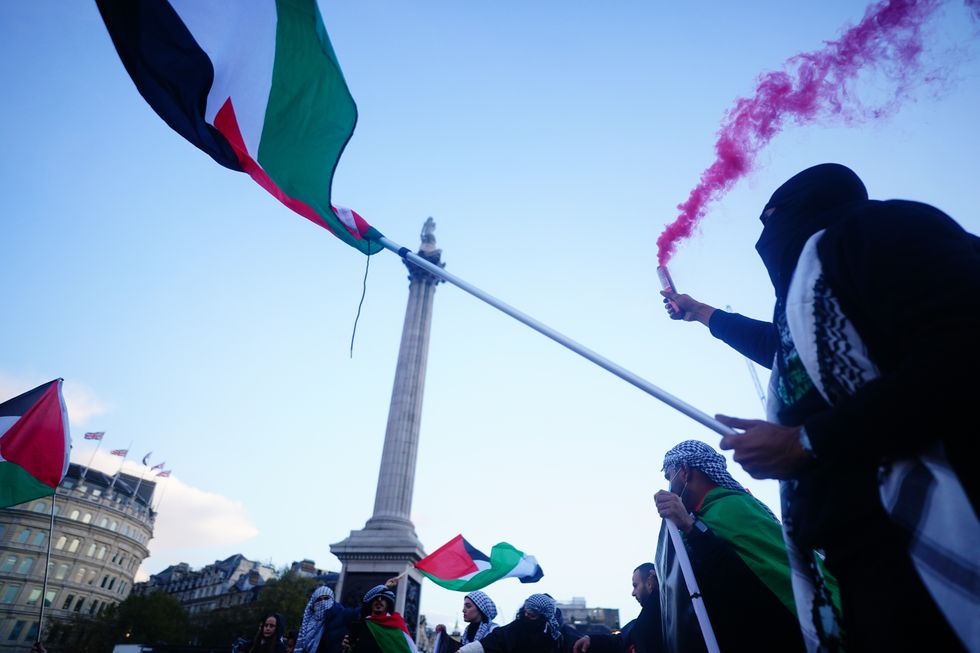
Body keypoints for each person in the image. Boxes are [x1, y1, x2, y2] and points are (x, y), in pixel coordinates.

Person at [661, 163, 978, 651]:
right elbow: (785, 348)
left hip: (935, 531)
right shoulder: (810, 302)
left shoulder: (876, 232)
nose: (764, 240)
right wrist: (702, 312)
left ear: (792, 211)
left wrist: (807, 440)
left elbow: (963, 349)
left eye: (769, 223)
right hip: (861, 551)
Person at [654, 440, 808, 653]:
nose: (669, 485)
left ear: (685, 472)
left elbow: (740, 580)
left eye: (669, 476)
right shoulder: (707, 517)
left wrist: (691, 528)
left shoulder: (730, 507)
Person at [572, 563, 664, 653]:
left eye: (635, 585)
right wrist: (591, 640)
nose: (633, 593)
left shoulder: (658, 619)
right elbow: (618, 640)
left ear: (649, 582)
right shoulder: (637, 624)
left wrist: (655, 592)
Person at [459, 594, 580, 653]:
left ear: (544, 616)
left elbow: (579, 642)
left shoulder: (559, 634)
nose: (527, 616)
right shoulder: (516, 628)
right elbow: (492, 641)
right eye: (525, 612)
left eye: (532, 614)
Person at [345, 584, 418, 653]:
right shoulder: (361, 626)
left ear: (388, 604)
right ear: (370, 604)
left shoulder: (397, 623)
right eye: (375, 598)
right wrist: (349, 648)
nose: (379, 600)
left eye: (383, 598)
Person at [295, 586, 361, 653]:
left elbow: (361, 612)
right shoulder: (307, 622)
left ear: (332, 600)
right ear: (314, 603)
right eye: (319, 599)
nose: (323, 601)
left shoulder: (342, 615)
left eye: (326, 598)